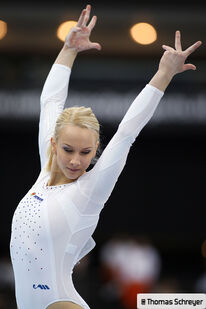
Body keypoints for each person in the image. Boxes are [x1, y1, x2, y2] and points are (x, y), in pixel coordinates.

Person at [9, 4, 202, 309]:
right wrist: (68, 50)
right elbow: (50, 102)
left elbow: (127, 132)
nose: (76, 161)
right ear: (53, 144)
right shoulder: (45, 172)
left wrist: (164, 74)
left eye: (86, 153)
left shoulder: (90, 189)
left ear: (95, 151)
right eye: (68, 150)